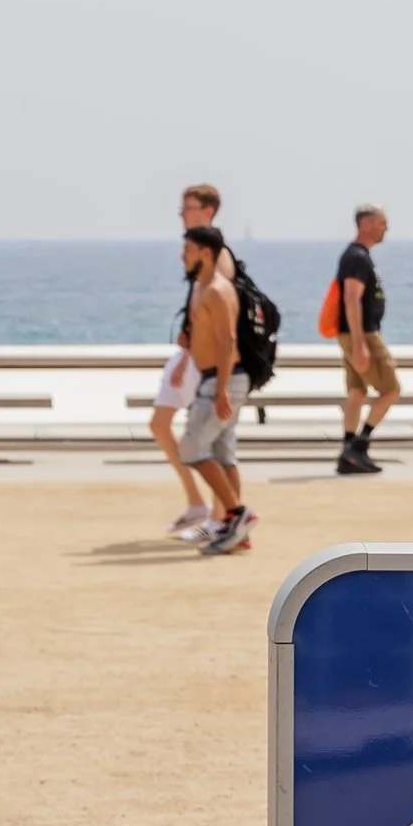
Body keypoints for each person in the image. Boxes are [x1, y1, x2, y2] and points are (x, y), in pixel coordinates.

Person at [157, 184, 238, 537]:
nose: (181, 214)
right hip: (195, 359)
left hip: (208, 365)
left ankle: (223, 518)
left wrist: (210, 374)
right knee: (187, 434)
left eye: (187, 208)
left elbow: (222, 325)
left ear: (207, 212)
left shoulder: (217, 258)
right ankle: (205, 509)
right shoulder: (198, 254)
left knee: (211, 445)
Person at [180, 226, 256, 554]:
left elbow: (228, 341)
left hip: (223, 381)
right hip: (213, 379)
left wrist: (222, 388)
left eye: (188, 250)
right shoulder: (201, 288)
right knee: (223, 454)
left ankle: (238, 514)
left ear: (206, 253)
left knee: (192, 448)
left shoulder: (218, 290)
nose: (183, 256)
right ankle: (236, 529)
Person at [330, 203, 398, 475]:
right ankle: (358, 445)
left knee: (357, 392)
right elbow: (351, 298)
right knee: (391, 390)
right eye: (382, 223)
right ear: (366, 224)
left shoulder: (357, 255)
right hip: (363, 334)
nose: (386, 229)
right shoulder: (356, 257)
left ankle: (348, 452)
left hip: (353, 334)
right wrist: (360, 343)